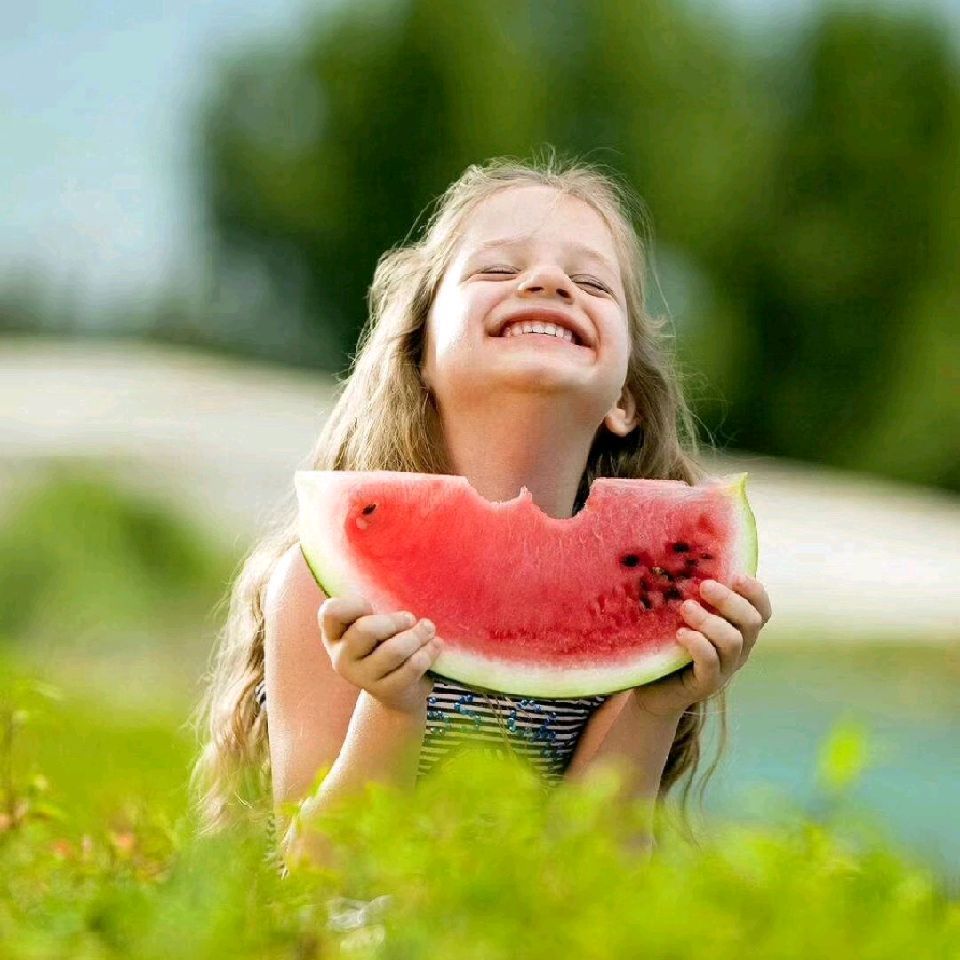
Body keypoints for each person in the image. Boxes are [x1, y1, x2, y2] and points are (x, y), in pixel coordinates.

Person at [189, 150, 773, 873]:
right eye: (496, 269)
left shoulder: (649, 603)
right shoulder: (322, 587)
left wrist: (657, 701)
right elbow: (321, 871)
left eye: (593, 283)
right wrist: (393, 708)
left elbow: (598, 875)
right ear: (420, 357)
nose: (549, 282)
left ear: (625, 398)